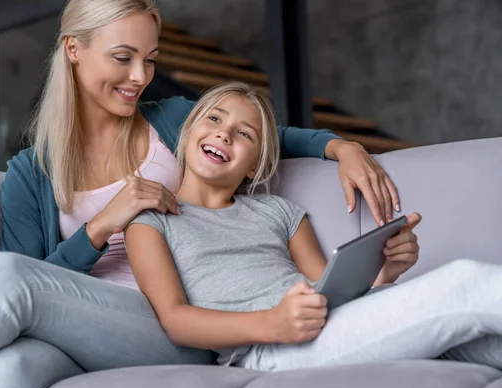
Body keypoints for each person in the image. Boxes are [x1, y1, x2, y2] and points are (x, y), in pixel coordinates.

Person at [0, 1, 403, 388]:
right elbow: (43, 286)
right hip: (90, 331)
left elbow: (266, 134)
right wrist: (100, 227)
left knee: (5, 275)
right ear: (74, 49)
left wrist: (341, 146)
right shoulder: (29, 175)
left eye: (150, 60)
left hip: (178, 324)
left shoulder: (172, 122)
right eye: (124, 58)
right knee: (11, 369)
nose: (140, 76)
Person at [125, 81, 502, 372]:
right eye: (215, 119)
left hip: (330, 323)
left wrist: (384, 271)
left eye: (245, 134)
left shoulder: (278, 211)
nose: (225, 133)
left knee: (483, 344)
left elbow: (330, 287)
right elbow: (175, 320)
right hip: (272, 348)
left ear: (254, 166)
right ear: (189, 132)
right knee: (462, 283)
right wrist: (273, 324)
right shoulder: (151, 221)